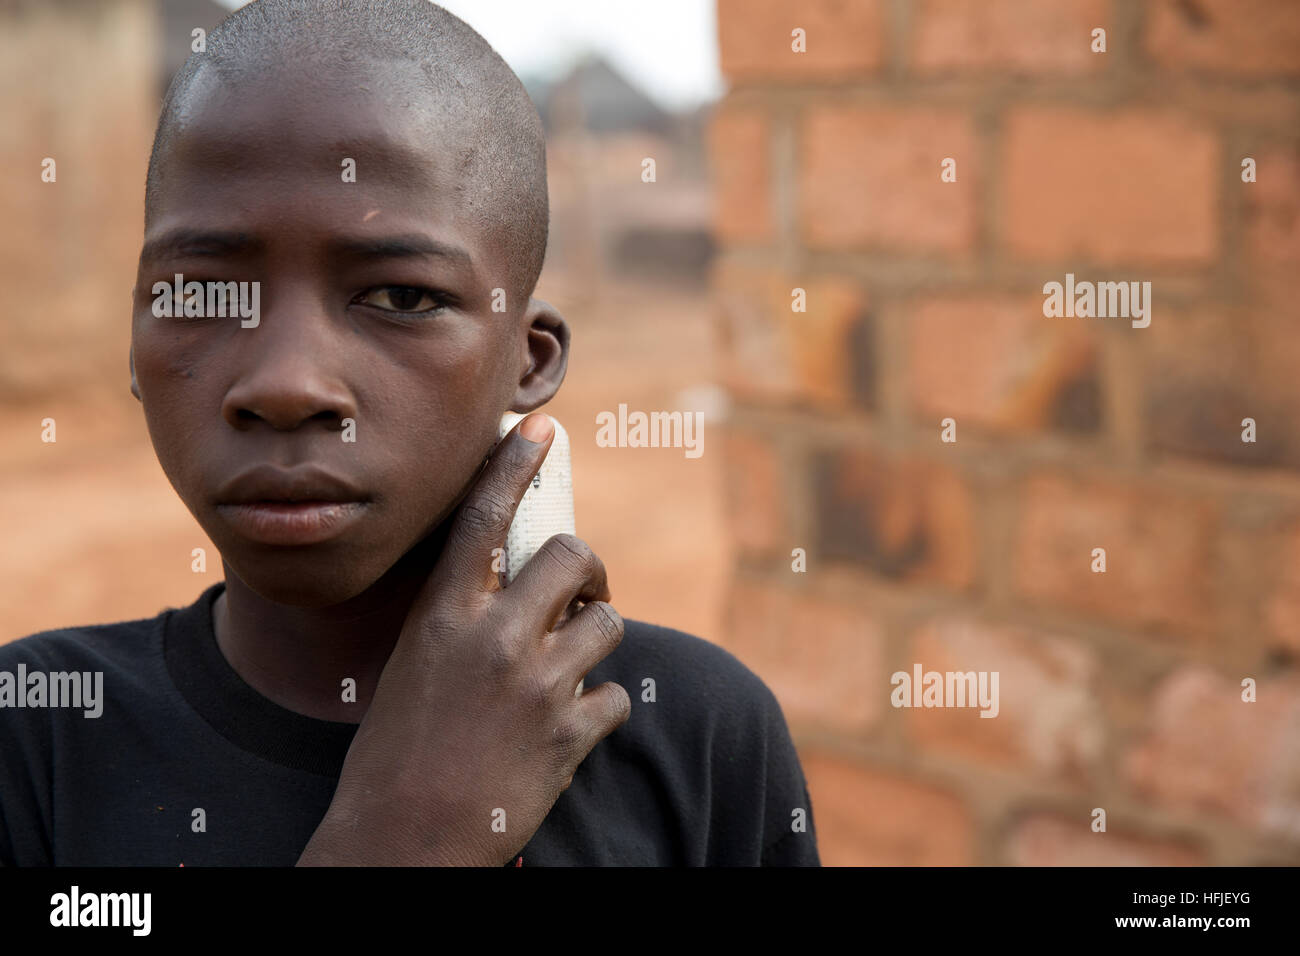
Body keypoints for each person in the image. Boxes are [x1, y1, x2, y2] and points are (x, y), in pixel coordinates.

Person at [0, 0, 819, 867]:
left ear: (528, 361)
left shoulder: (696, 736)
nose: (286, 385)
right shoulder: (38, 737)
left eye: (400, 297)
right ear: (135, 342)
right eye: (204, 293)